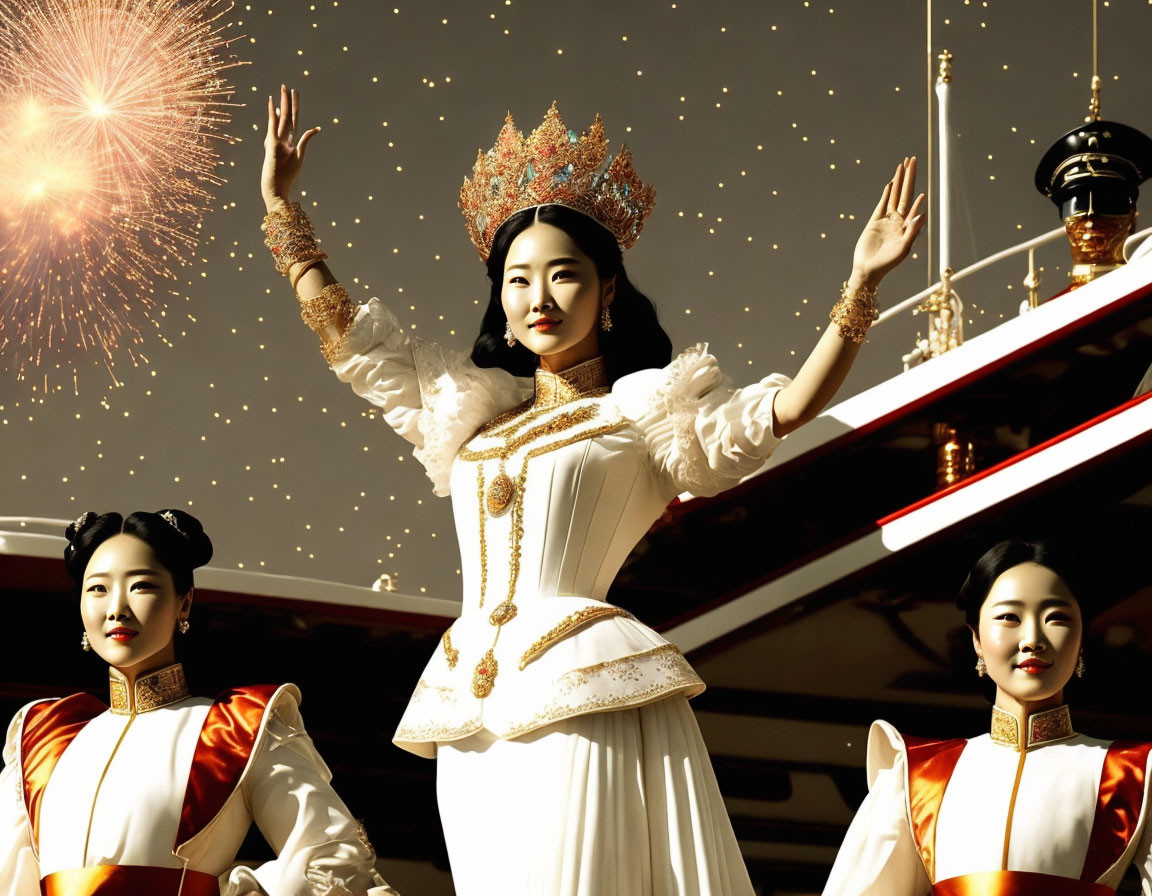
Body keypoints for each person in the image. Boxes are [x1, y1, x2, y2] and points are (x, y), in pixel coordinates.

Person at [259, 85, 924, 895]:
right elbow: (353, 343)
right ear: (500, 302)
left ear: (608, 291)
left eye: (564, 276)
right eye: (517, 279)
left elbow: (779, 412)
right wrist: (284, 216)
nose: (538, 298)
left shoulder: (644, 414)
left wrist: (860, 288)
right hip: (470, 716)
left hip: (583, 694)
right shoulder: (471, 416)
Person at [0, 509, 398, 896]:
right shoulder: (43, 734)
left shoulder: (236, 727)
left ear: (184, 603)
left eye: (141, 585)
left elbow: (330, 854)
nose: (116, 608)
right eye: (97, 588)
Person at [823, 539, 1152, 895]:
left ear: (1082, 639)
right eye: (1009, 617)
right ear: (976, 639)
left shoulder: (1134, 772)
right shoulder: (915, 775)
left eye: (1056, 618)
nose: (1032, 639)